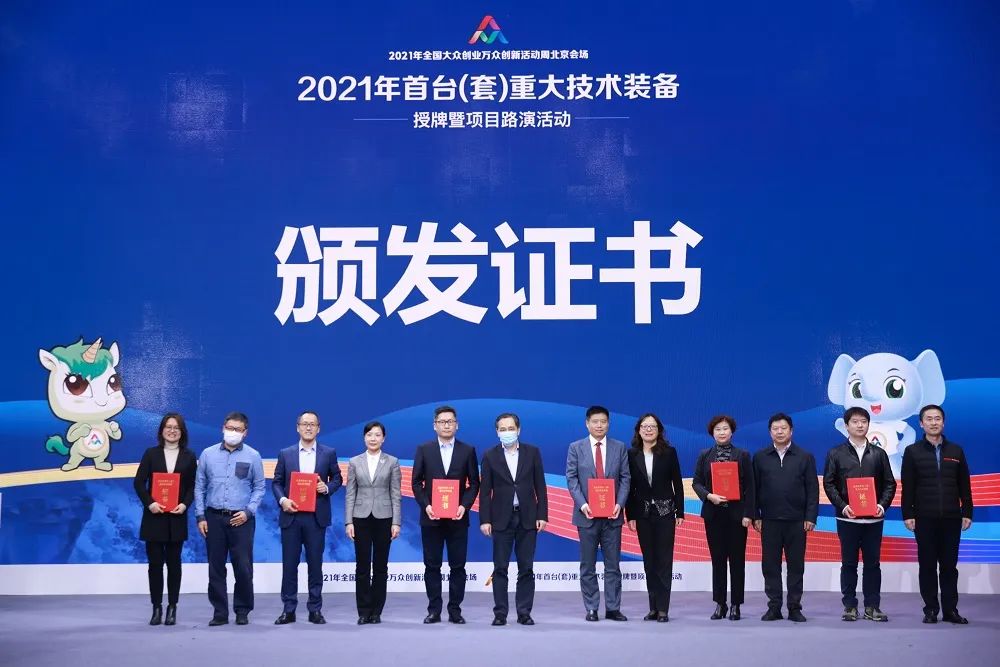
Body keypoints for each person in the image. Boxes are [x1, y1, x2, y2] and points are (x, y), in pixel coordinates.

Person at [901, 404, 974, 624]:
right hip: (924, 518)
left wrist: (967, 511)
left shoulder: (956, 451)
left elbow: (964, 485)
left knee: (949, 567)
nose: (934, 422)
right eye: (929, 419)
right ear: (921, 423)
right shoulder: (912, 451)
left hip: (952, 517)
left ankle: (950, 611)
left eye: (938, 418)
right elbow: (908, 486)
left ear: (943, 422)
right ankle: (931, 610)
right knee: (927, 566)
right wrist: (907, 514)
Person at [823, 407, 896, 622]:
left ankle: (872, 606)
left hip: (874, 520)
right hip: (847, 518)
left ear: (868, 424)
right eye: (855, 421)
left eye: (863, 421)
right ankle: (850, 606)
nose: (860, 425)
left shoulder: (879, 454)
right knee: (849, 564)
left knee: (873, 564)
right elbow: (829, 483)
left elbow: (889, 484)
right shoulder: (835, 453)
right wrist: (843, 506)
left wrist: (882, 505)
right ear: (847, 426)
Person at [193, 411, 265, 626]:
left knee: (243, 567)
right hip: (214, 517)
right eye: (230, 428)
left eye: (238, 429)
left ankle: (242, 610)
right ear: (223, 428)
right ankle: (220, 612)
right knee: (216, 567)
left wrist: (248, 512)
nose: (233, 432)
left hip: (242, 519)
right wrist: (200, 516)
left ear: (245, 432)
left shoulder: (253, 456)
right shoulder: (208, 454)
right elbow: (199, 487)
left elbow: (259, 487)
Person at [272, 411, 343, 625]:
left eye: (312, 424)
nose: (308, 427)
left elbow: (338, 478)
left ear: (318, 428)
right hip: (291, 517)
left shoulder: (328, 453)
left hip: (316, 518)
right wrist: (283, 500)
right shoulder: (286, 454)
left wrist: (326, 488)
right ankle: (289, 609)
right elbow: (277, 482)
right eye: (305, 424)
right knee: (289, 566)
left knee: (315, 565)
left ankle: (315, 609)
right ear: (298, 427)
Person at [411, 405, 480, 624]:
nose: (446, 425)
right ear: (435, 426)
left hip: (458, 518)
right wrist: (426, 505)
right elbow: (416, 482)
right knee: (432, 566)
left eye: (450, 421)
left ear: (457, 425)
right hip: (431, 518)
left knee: (458, 566)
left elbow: (474, 483)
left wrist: (464, 506)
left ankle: (455, 610)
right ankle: (434, 610)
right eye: (442, 422)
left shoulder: (467, 450)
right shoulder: (424, 449)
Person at [479, 412, 548, 626]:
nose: (507, 432)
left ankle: (524, 612)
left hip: (528, 517)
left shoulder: (532, 452)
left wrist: (542, 515)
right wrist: (485, 520)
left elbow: (540, 486)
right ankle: (500, 613)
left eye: (511, 428)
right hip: (500, 519)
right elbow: (485, 491)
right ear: (497, 432)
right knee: (500, 567)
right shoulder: (490, 455)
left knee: (526, 568)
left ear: (518, 430)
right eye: (503, 429)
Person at [566, 405, 631, 622]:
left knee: (613, 565)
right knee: (588, 565)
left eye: (603, 421)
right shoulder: (576, 447)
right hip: (587, 516)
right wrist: (583, 504)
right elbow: (572, 479)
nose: (599, 425)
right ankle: (592, 607)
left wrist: (619, 504)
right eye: (595, 422)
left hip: (612, 516)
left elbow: (626, 478)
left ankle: (613, 608)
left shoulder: (619, 447)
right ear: (587, 424)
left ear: (608, 424)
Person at [133, 412, 198, 626]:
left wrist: (185, 504)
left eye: (176, 428)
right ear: (162, 431)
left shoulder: (189, 456)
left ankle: (172, 607)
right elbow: (139, 483)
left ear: (182, 432)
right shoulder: (151, 454)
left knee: (174, 565)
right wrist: (150, 503)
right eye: (168, 427)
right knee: (155, 565)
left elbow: (193, 486)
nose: (172, 431)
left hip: (176, 517)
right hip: (154, 517)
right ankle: (156, 608)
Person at [752, 413, 818, 623]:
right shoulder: (760, 457)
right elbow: (754, 489)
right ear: (770, 432)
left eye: (783, 428)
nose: (779, 432)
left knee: (796, 566)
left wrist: (810, 516)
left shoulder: (805, 456)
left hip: (797, 521)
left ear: (791, 431)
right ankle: (774, 607)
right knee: (770, 565)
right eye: (775, 429)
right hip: (769, 520)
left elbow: (812, 489)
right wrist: (755, 515)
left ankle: (794, 607)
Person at [692, 415, 755, 621]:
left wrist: (748, 514)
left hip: (737, 516)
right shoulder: (705, 455)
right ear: (712, 433)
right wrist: (709, 496)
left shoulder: (742, 455)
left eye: (725, 428)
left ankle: (736, 604)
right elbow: (696, 482)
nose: (721, 432)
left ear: (732, 432)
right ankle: (720, 603)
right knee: (718, 560)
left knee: (737, 561)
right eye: (718, 429)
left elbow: (750, 487)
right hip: (714, 516)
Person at [625, 413, 684, 622]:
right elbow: (629, 487)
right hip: (642, 514)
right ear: (638, 430)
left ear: (659, 430)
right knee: (649, 561)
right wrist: (630, 515)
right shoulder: (631, 454)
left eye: (652, 426)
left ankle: (663, 609)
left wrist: (680, 512)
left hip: (665, 512)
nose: (648, 429)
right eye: (644, 426)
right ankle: (653, 608)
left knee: (664, 561)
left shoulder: (669, 452)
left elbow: (677, 483)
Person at [345, 421, 402, 625]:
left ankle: (376, 611)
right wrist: (348, 521)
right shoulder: (354, 462)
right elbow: (350, 493)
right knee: (362, 566)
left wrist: (396, 522)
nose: (373, 438)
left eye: (377, 435)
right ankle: (363, 611)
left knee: (380, 566)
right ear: (364, 438)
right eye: (369, 434)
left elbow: (396, 493)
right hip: (360, 517)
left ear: (383, 438)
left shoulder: (392, 462)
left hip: (384, 518)